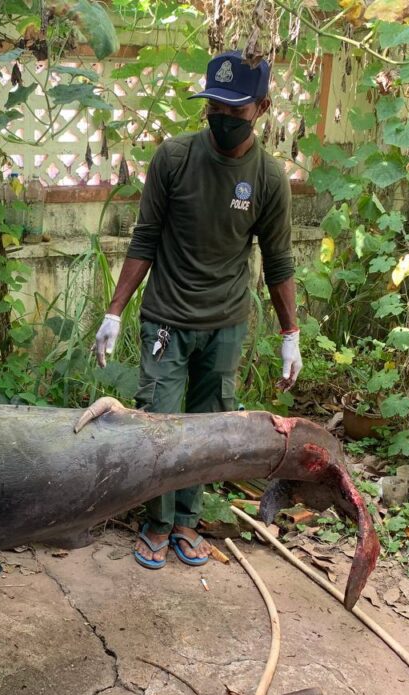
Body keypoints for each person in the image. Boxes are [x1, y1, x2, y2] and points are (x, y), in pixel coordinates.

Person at [92, 51, 302, 569]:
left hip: (225, 323)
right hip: (166, 317)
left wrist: (290, 334)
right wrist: (114, 312)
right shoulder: (174, 158)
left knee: (209, 426)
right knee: (158, 421)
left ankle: (188, 520)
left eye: (236, 111)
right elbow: (145, 238)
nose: (224, 120)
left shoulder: (269, 179)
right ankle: (156, 523)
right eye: (215, 107)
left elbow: (278, 261)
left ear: (262, 108)